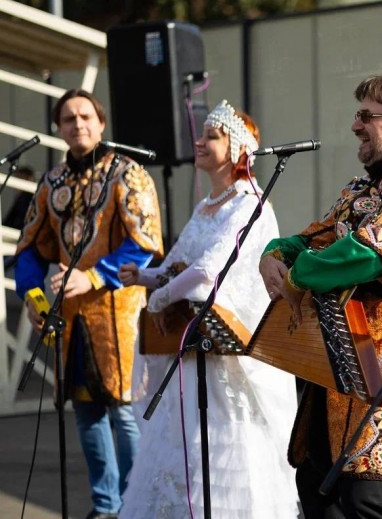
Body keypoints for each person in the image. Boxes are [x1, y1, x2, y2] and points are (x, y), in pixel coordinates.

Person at [259, 74, 382, 518]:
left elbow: (363, 255)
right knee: (315, 481)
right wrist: (275, 252)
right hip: (333, 356)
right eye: (357, 114)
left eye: (367, 115)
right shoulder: (359, 189)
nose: (355, 125)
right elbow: (314, 238)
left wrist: (298, 274)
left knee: (366, 496)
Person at [117, 100, 299, 518]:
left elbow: (207, 271)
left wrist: (160, 297)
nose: (199, 142)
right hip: (194, 346)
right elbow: (177, 265)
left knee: (222, 445)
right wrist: (145, 278)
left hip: (229, 352)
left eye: (211, 136)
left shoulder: (251, 203)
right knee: (182, 448)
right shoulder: (205, 207)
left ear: (238, 150)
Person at [14, 89, 164, 519]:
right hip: (69, 316)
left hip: (118, 313)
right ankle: (105, 506)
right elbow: (29, 249)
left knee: (125, 412)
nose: (77, 124)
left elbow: (144, 243)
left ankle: (138, 506)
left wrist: (94, 275)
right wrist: (35, 297)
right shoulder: (51, 181)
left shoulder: (128, 173)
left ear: (101, 124)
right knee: (85, 411)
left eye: (85, 116)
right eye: (67, 118)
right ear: (58, 129)